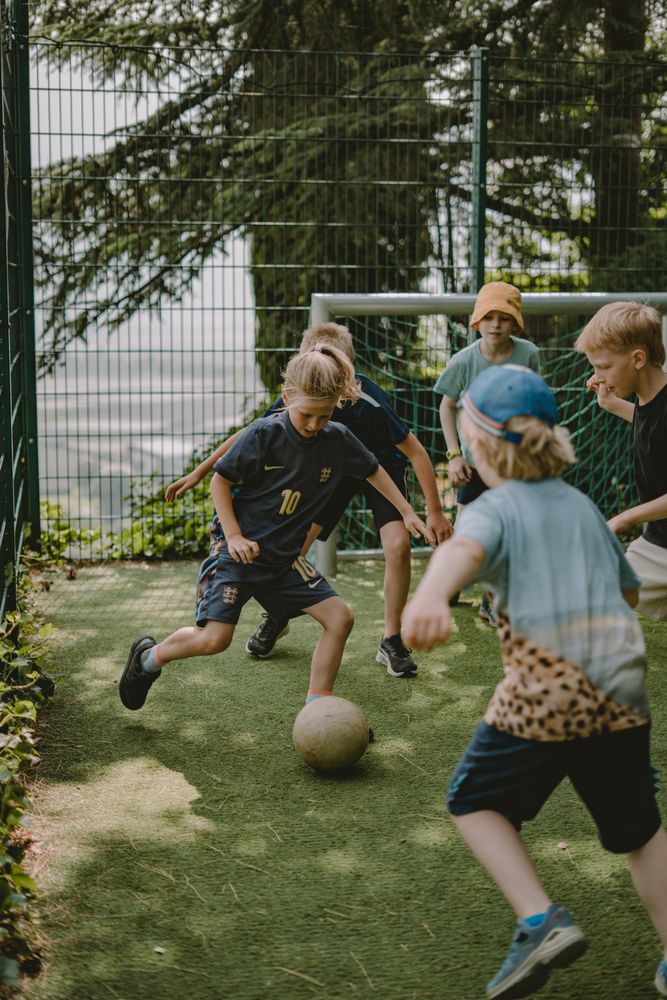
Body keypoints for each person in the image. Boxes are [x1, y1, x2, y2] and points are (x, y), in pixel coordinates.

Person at [403, 365, 667, 1000]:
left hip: (550, 687)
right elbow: (628, 590)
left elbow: (461, 552)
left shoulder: (493, 509)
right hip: (623, 690)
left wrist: (432, 596)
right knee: (640, 833)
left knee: (473, 801)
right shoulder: (581, 507)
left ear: (484, 447)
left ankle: (539, 919)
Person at [120, 344, 434, 713]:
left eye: (325, 414)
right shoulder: (263, 434)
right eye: (307, 415)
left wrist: (406, 511)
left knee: (340, 619)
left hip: (284, 559)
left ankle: (317, 709)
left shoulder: (338, 438)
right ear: (286, 397)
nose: (315, 425)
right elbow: (220, 483)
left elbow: (373, 469)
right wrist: (234, 536)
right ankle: (147, 659)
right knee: (215, 640)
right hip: (239, 554)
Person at [166, 322, 453, 678]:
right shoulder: (301, 394)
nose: (315, 419)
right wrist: (199, 472)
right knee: (294, 548)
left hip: (377, 469)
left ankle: (391, 639)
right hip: (327, 474)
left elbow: (416, 453)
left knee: (397, 546)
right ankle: (278, 614)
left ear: (343, 376)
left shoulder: (368, 400)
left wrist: (430, 512)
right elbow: (250, 435)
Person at [433, 281, 540, 625]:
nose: (496, 324)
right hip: (474, 465)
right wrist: (454, 456)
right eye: (489, 317)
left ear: (515, 323)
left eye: (504, 318)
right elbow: (446, 407)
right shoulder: (464, 361)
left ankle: (492, 600)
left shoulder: (528, 355)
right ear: (476, 321)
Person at [575, 301, 667, 621]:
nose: (597, 376)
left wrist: (624, 518)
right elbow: (650, 427)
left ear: (637, 359)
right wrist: (612, 404)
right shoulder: (650, 401)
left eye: (603, 366)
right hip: (659, 543)